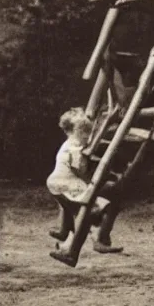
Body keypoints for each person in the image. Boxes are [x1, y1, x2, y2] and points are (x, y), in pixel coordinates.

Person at [47, 107, 122, 261]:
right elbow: (81, 170)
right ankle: (99, 240)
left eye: (88, 132)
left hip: (56, 183)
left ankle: (65, 236)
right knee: (104, 208)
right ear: (72, 131)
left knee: (79, 213)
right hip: (68, 184)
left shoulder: (69, 143)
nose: (87, 137)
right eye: (83, 132)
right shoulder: (75, 147)